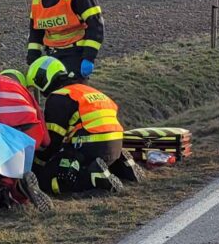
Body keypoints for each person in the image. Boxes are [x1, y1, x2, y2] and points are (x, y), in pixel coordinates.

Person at [28, 56, 140, 194]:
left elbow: (53, 141)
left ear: (43, 79)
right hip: (116, 144)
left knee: (49, 179)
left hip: (88, 147)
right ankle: (123, 167)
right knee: (89, 159)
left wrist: (36, 163)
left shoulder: (59, 97)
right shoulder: (87, 90)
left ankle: (92, 178)